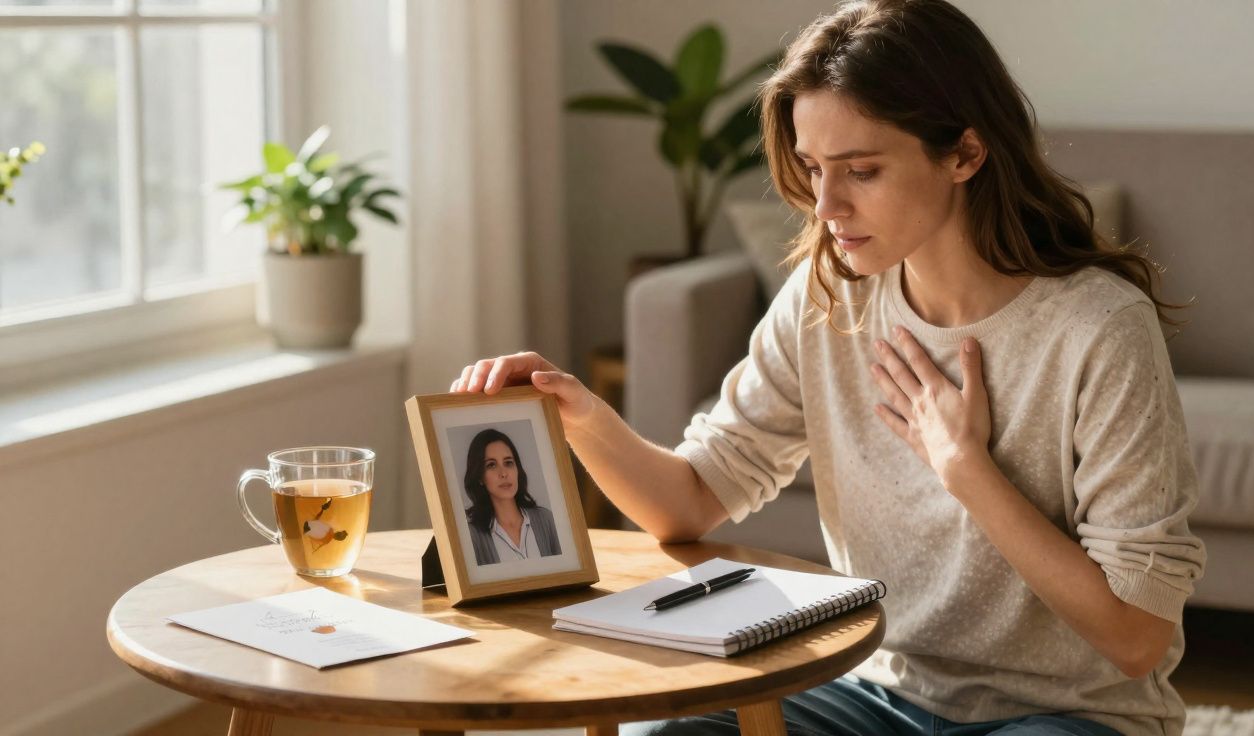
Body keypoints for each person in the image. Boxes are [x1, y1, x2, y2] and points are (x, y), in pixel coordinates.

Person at [451, 0, 1205, 733]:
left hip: (1065, 714)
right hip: (877, 689)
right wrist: (583, 415)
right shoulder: (828, 297)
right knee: (672, 733)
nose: (826, 205)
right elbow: (687, 503)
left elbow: (1135, 638)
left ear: (965, 154)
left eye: (862, 171)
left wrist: (965, 468)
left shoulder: (1099, 330)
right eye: (813, 169)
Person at [462, 428, 562, 565]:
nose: (503, 473)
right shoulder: (472, 536)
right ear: (480, 477)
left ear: (517, 469)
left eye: (508, 463)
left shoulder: (546, 520)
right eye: (491, 465)